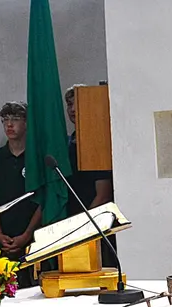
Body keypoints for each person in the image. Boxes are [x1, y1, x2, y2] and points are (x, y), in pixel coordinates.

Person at [0, 101, 41, 269]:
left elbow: (43, 201)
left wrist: (26, 235)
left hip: (32, 235)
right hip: (2, 236)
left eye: (15, 119)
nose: (9, 124)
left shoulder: (36, 158)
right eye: (5, 119)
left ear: (26, 123)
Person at [64, 85, 116, 266]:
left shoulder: (97, 141)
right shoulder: (67, 142)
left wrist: (83, 224)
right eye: (69, 104)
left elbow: (103, 194)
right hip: (69, 220)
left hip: (95, 222)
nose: (72, 109)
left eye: (77, 103)